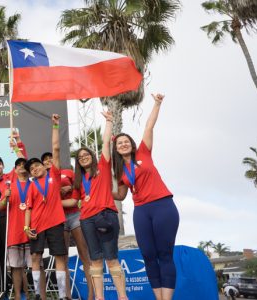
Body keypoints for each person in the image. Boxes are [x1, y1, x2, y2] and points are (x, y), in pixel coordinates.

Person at [111, 94, 179, 300]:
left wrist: (157, 104)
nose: (123, 144)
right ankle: (158, 298)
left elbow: (149, 126)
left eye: (125, 141)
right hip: (141, 211)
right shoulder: (120, 171)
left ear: (131, 144)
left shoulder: (143, 153)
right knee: (148, 255)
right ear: (116, 149)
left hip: (162, 206)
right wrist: (101, 190)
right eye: (119, 143)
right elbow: (121, 196)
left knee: (164, 254)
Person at [70, 110, 128, 300]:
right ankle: (100, 298)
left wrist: (109, 121)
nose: (84, 157)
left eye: (87, 155)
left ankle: (122, 297)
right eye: (80, 157)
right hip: (86, 220)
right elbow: (73, 201)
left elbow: (106, 143)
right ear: (78, 162)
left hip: (106, 215)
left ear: (93, 157)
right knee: (95, 260)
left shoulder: (102, 167)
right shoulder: (79, 180)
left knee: (111, 259)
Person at [24, 114, 68, 300]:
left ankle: (62, 295)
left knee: (59, 256)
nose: (34, 169)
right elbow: (28, 209)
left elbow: (56, 149)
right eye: (31, 169)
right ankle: (37, 294)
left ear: (44, 165)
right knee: (35, 258)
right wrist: (26, 228)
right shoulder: (31, 186)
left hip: (56, 222)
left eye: (36, 166)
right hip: (36, 226)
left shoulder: (54, 176)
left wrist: (55, 126)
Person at [44, 151, 94, 300]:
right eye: (45, 160)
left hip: (75, 215)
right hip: (58, 219)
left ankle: (92, 296)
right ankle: (67, 296)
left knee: (85, 255)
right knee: (63, 259)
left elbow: (79, 187)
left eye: (50, 158)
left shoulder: (67, 172)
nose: (48, 161)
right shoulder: (44, 179)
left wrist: (71, 188)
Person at [0, 158, 33, 300]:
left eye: (24, 165)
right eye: (18, 165)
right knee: (16, 266)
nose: (21, 167)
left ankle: (33, 295)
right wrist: (5, 197)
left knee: (35, 265)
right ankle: (18, 295)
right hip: (14, 230)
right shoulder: (10, 186)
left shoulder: (34, 184)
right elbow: (0, 207)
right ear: (15, 169)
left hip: (32, 229)